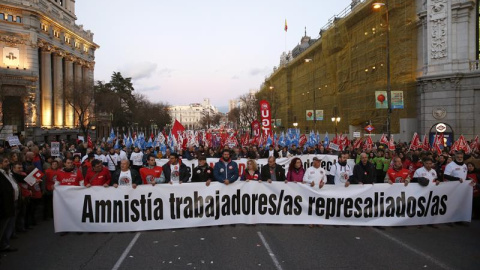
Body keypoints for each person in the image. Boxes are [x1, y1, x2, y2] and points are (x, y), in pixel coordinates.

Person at [0, 156, 19, 252]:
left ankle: (5, 245)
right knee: (3, 228)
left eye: (8, 161)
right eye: (5, 161)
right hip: (5, 206)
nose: (8, 163)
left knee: (9, 226)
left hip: (12, 203)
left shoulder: (9, 173)